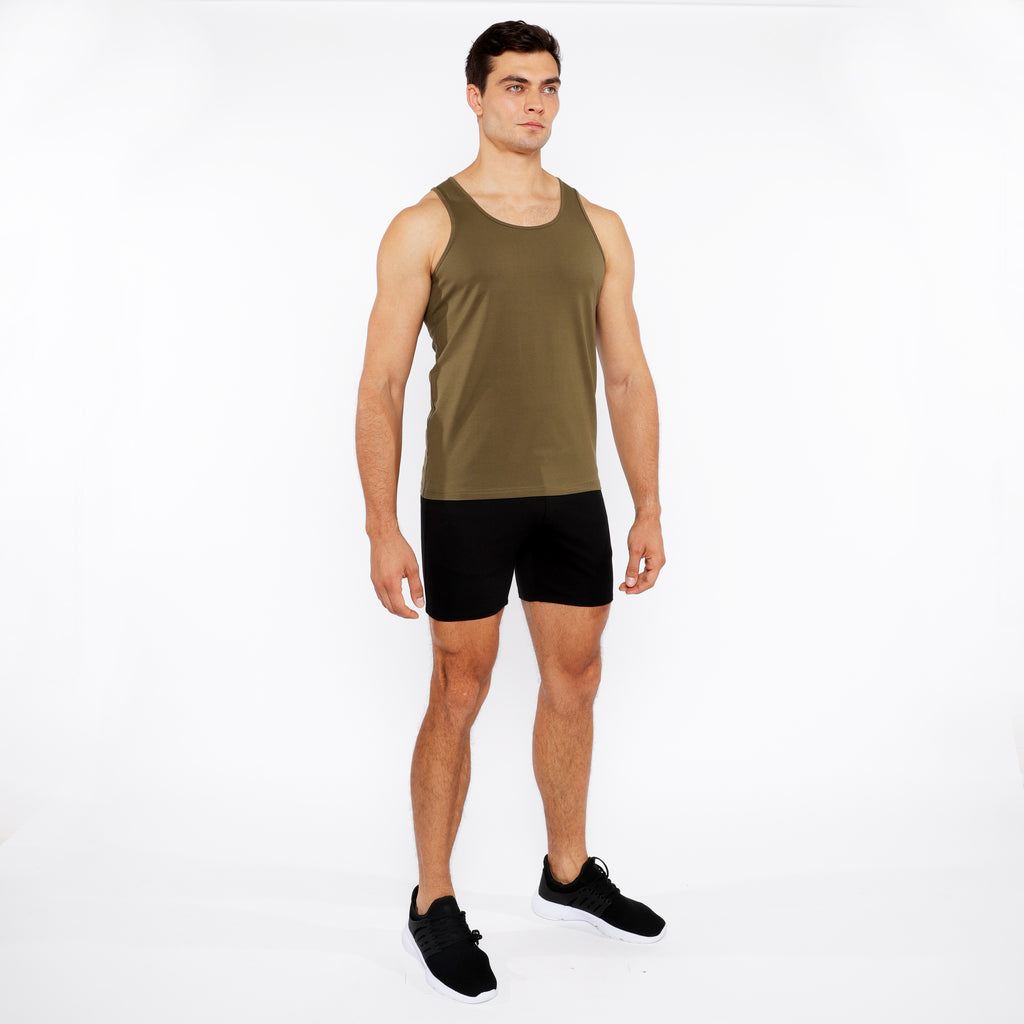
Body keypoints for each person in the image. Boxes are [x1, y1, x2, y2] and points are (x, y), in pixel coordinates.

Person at [355, 20, 666, 1004]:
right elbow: (381, 386)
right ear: (476, 96)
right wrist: (381, 527)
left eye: (549, 86)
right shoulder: (424, 224)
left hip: (570, 494)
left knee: (576, 678)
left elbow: (627, 375)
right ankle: (433, 899)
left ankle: (566, 873)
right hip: (464, 498)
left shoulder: (598, 225)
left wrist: (649, 503)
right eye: (516, 85)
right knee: (459, 689)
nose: (536, 103)